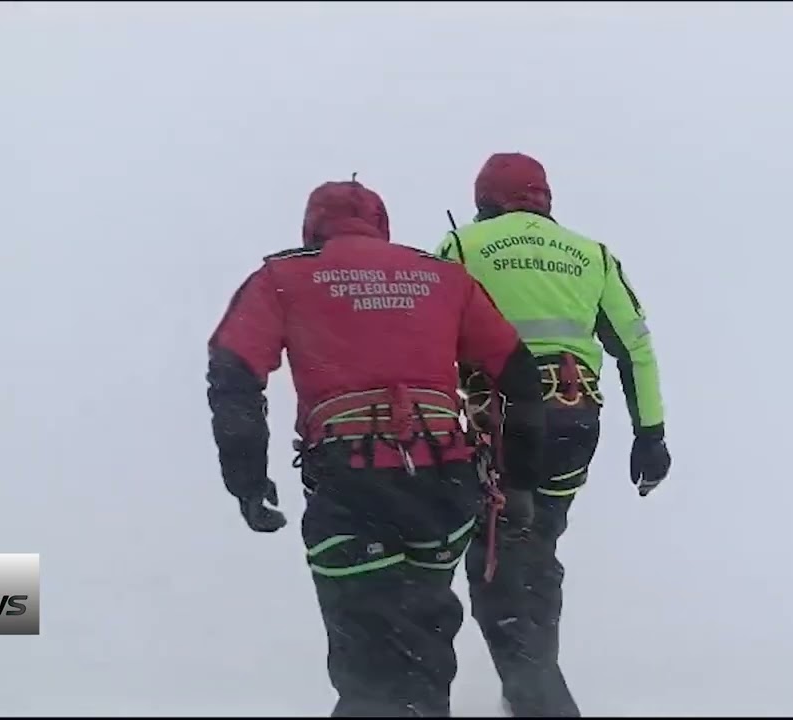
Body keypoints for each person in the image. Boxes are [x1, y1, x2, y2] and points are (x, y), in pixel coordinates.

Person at [206, 178, 546, 717]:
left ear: (312, 227)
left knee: (365, 657)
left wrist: (247, 479)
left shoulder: (283, 278)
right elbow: (521, 375)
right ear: (381, 226)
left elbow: (232, 371)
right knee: (425, 647)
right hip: (443, 485)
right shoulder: (444, 278)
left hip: (352, 484)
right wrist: (520, 482)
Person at [434, 152, 674, 717]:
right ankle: (533, 684)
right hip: (574, 420)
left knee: (496, 556)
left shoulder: (463, 244)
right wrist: (651, 434)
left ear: (484, 200)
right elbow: (636, 348)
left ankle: (538, 697)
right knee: (537, 546)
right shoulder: (593, 254)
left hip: (500, 420)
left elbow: (429, 333)